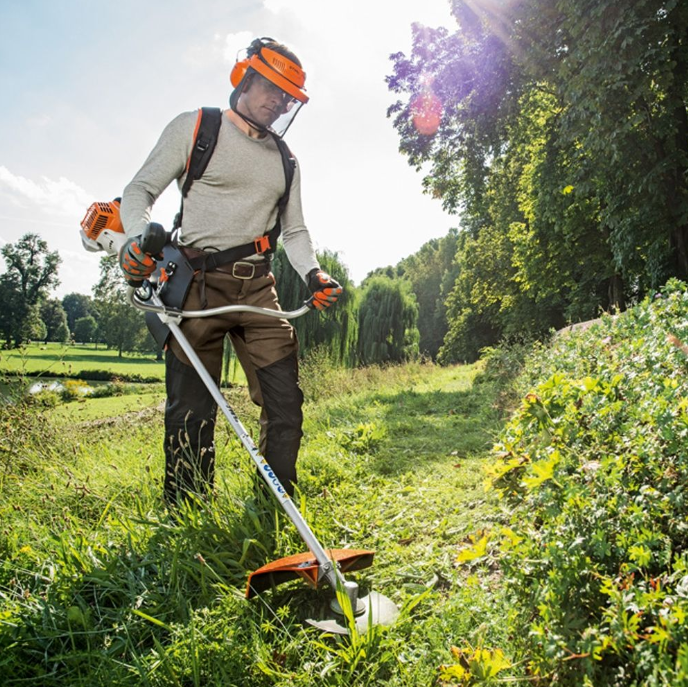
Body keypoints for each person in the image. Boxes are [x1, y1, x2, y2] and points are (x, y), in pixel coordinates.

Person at [118, 37, 342, 506]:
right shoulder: (198, 127)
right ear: (244, 77)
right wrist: (140, 238)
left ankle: (273, 506)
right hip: (195, 285)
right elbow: (139, 190)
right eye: (270, 88)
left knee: (285, 402)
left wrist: (313, 274)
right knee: (191, 411)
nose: (277, 102)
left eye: (286, 97)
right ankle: (188, 512)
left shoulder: (286, 160)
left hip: (259, 288)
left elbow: (295, 231)